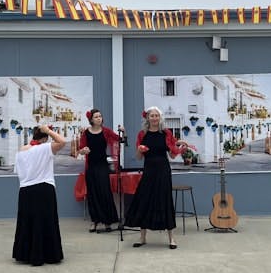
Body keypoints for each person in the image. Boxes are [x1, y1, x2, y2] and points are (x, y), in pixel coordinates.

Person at [125, 106, 188, 248]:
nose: (154, 118)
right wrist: (139, 150)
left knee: (165, 201)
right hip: (148, 171)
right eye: (151, 116)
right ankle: (142, 238)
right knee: (144, 200)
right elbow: (139, 157)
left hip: (163, 171)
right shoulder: (142, 134)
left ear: (160, 118)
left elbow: (172, 155)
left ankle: (172, 238)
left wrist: (180, 150)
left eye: (156, 115)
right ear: (147, 118)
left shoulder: (166, 133)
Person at [12, 124, 66, 266]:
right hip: (43, 188)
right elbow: (62, 142)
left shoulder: (21, 151)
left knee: (27, 223)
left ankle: (25, 253)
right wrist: (48, 130)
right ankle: (48, 254)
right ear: (44, 138)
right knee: (46, 222)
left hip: (25, 190)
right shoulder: (44, 148)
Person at [77, 109, 123, 233]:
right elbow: (81, 148)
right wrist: (83, 150)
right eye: (96, 117)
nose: (99, 118)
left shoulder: (106, 131)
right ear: (91, 119)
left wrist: (122, 132)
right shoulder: (86, 133)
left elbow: (119, 139)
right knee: (93, 194)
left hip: (102, 165)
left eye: (100, 116)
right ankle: (94, 221)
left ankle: (108, 221)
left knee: (105, 192)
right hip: (91, 167)